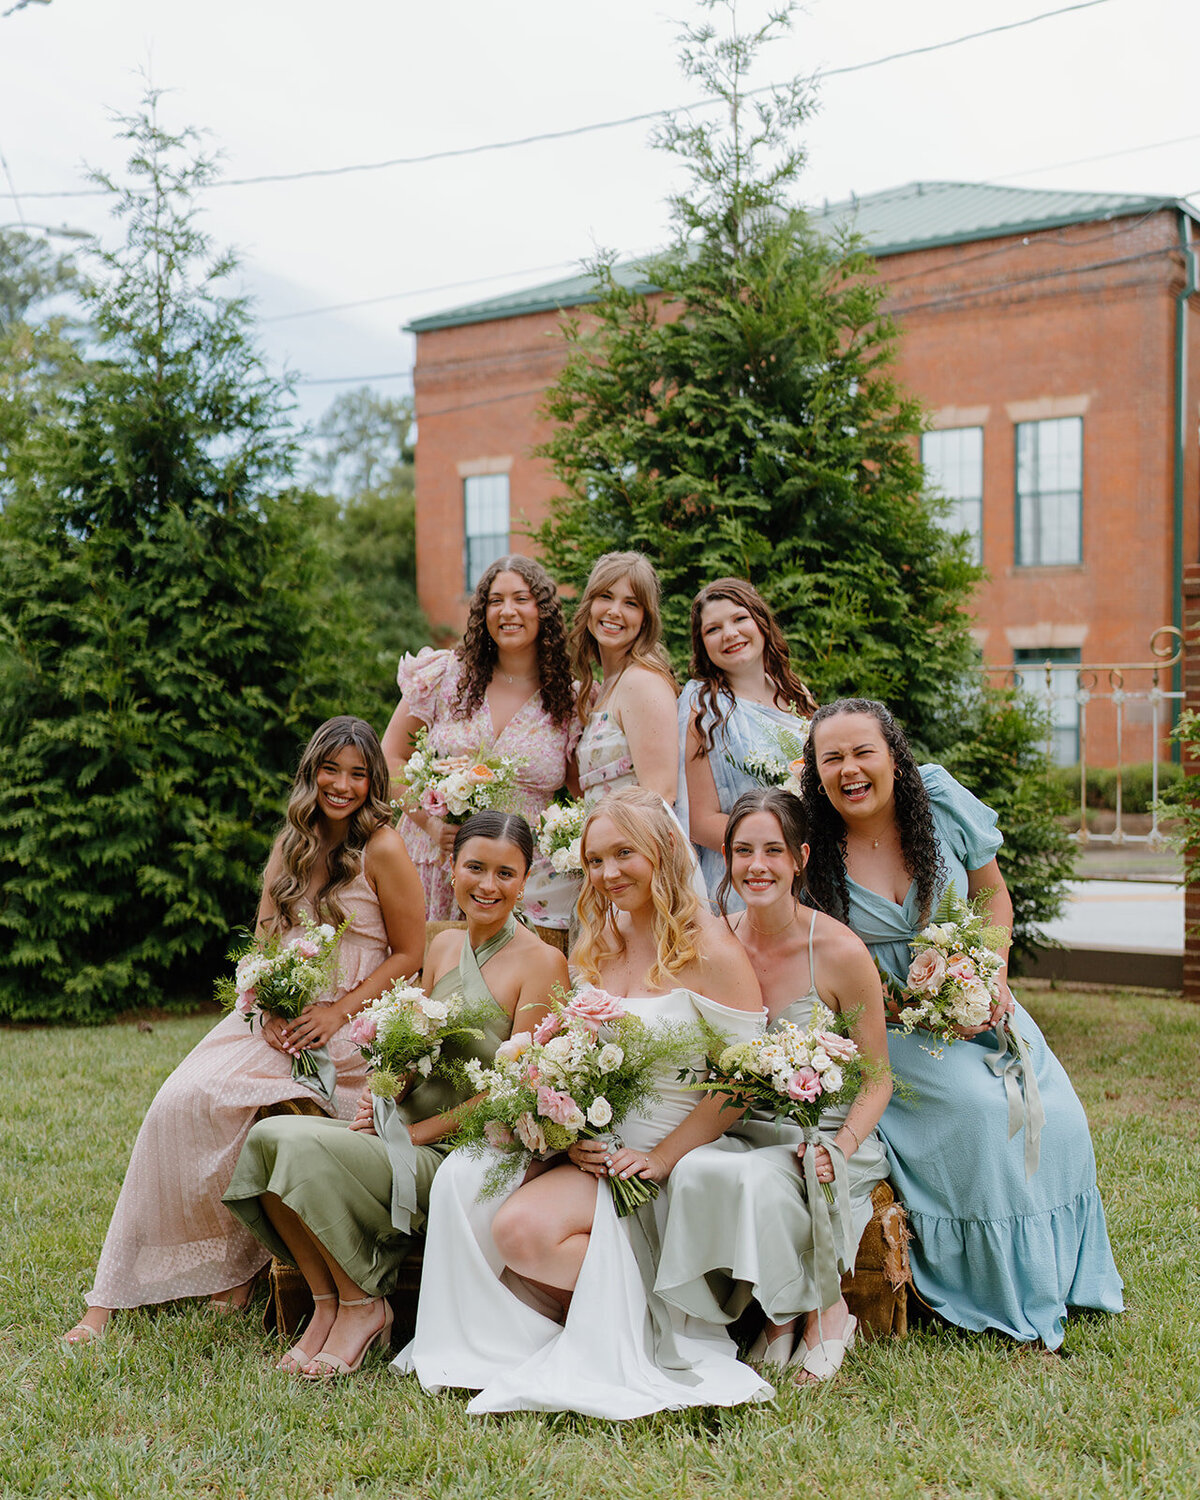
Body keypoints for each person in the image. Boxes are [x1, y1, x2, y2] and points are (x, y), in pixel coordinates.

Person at [394, 786, 771, 1417]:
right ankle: (515, 1337)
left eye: (624, 854)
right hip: (591, 1144)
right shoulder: (599, 938)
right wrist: (564, 1130)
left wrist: (662, 1158)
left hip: (668, 1154)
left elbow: (739, 1082)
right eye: (594, 860)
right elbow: (569, 1053)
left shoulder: (711, 950)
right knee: (476, 1191)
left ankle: (652, 1318)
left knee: (520, 1235)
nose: (607, 873)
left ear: (662, 854)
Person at [63, 717, 426, 1346]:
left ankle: (237, 1274)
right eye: (330, 769)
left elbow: (410, 953)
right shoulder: (291, 844)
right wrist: (267, 1004)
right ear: (311, 772)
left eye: (357, 773)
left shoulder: (384, 848)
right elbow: (261, 941)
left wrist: (336, 1014)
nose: (342, 784)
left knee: (258, 1112)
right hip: (274, 1017)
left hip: (345, 1026)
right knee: (177, 1103)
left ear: (373, 781)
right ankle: (113, 1291)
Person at [799, 697, 1124, 1348]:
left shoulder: (941, 800)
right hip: (885, 1028)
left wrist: (990, 975)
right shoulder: (811, 840)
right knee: (983, 1113)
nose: (850, 770)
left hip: (974, 1001)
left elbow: (992, 894)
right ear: (815, 773)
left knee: (1057, 1117)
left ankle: (1064, 1277)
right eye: (831, 758)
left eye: (863, 752)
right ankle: (1000, 1290)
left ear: (894, 756)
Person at [223, 811, 563, 1377]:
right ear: (451, 871)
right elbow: (411, 1051)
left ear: (525, 880)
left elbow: (514, 1089)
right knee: (265, 1138)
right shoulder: (445, 946)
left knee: (300, 1149)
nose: (487, 885)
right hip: (400, 1130)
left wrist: (415, 1132)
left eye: (506, 873)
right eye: (474, 867)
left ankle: (363, 1306)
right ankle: (332, 1302)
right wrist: (383, 1097)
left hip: (464, 1156)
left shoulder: (543, 963)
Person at [656, 787, 892, 1383]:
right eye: (741, 851)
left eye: (772, 851)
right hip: (736, 1124)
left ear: (800, 858)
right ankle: (775, 1315)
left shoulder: (838, 950)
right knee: (699, 1169)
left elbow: (879, 1080)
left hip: (824, 1135)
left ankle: (824, 1314)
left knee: (765, 1176)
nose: (756, 866)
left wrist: (841, 1148)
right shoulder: (713, 940)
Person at [382, 555, 578, 933]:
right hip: (434, 861)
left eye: (522, 599)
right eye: (495, 600)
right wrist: (431, 825)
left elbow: (583, 792)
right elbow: (389, 757)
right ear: (481, 613)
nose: (508, 611)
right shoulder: (445, 677)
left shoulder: (568, 702)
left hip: (521, 880)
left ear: (544, 611)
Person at [676, 578, 818, 906]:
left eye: (740, 619)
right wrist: (776, 844)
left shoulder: (797, 694)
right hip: (744, 879)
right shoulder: (702, 706)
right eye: (713, 629)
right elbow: (699, 820)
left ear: (761, 622)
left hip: (810, 870)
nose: (729, 634)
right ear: (702, 645)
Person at [569, 551, 680, 810]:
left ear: (645, 619)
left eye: (631, 603)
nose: (614, 611)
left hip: (633, 845)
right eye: (605, 596)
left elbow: (660, 796)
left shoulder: (641, 682)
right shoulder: (608, 685)